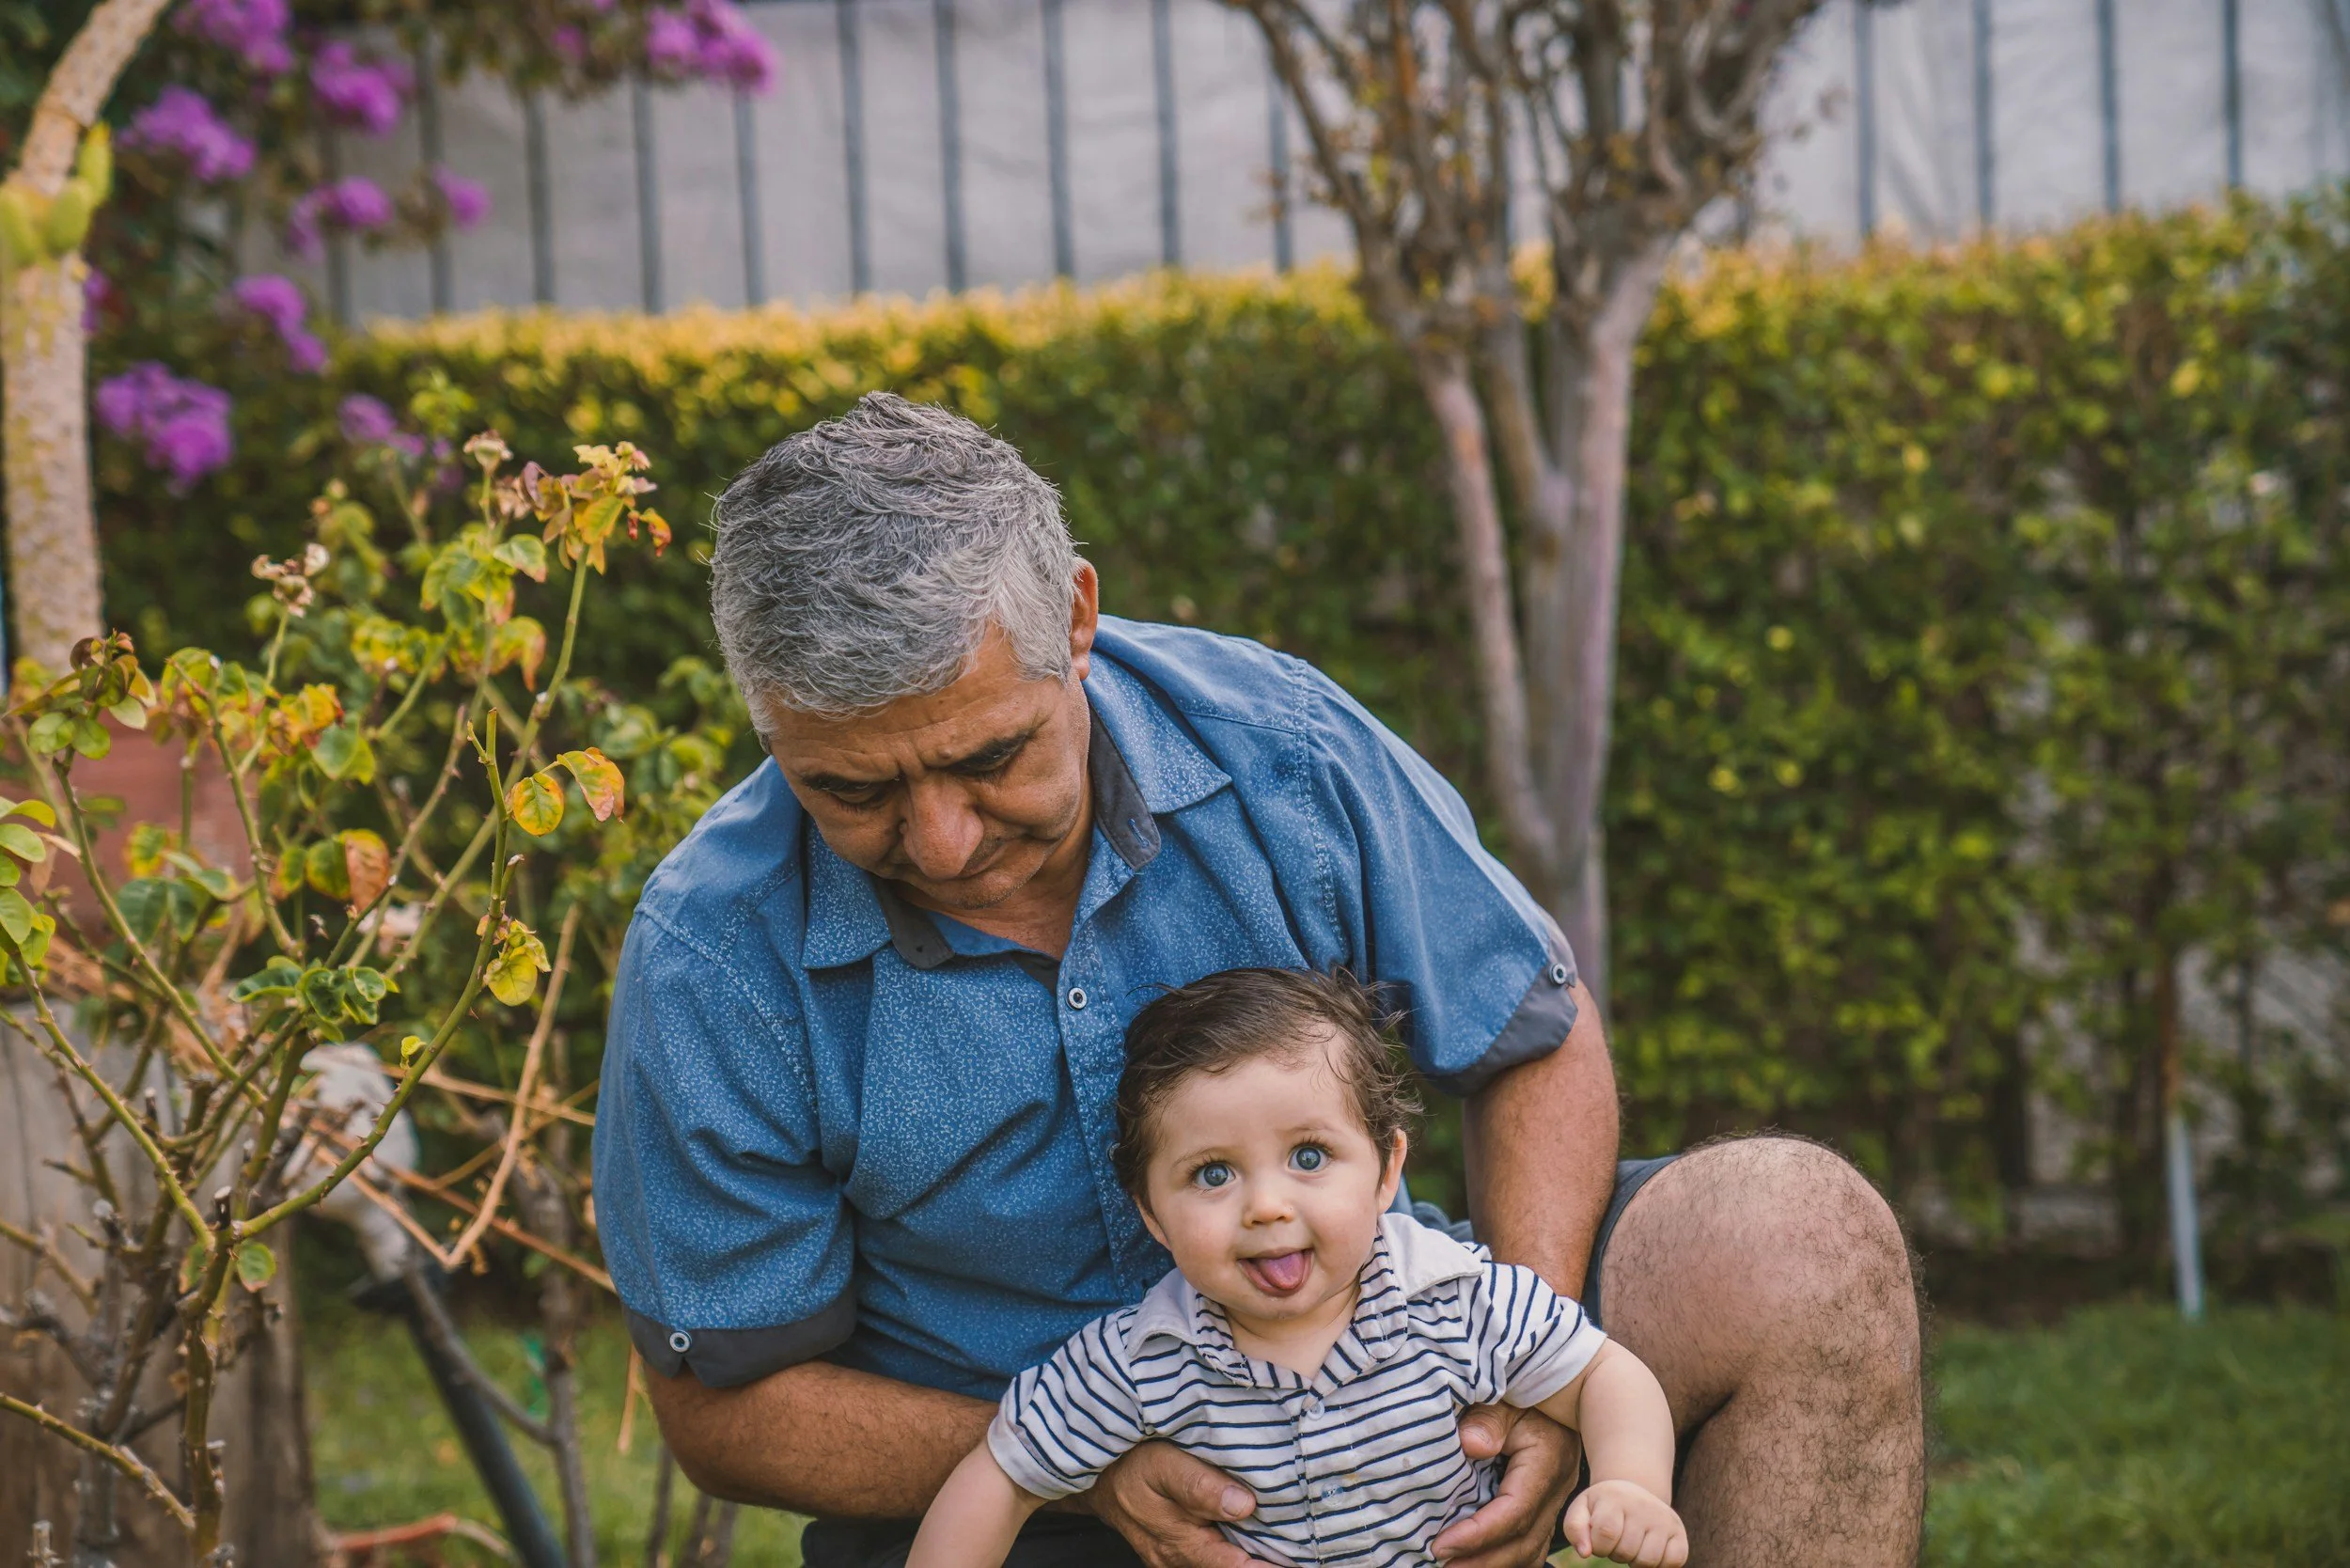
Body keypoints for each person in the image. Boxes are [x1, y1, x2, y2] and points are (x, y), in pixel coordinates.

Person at [594, 392, 1924, 1568]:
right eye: (852, 790)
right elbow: (727, 1408)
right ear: (772, 722)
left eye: (991, 757)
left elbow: (1528, 1038)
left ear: (1076, 621)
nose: (942, 841)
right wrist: (1088, 1461)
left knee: (1794, 1237)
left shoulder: (1277, 744)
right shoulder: (713, 955)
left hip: (1412, 1373)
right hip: (1029, 1504)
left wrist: (1529, 1382)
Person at [908, 968, 1688, 1568]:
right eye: (1213, 1174)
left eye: (1309, 1157)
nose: (1266, 1207)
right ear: (1151, 1212)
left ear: (1387, 1171)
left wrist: (1630, 1483)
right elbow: (1003, 1472)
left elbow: (1603, 1375)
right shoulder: (1146, 1358)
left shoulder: (1452, 1299)